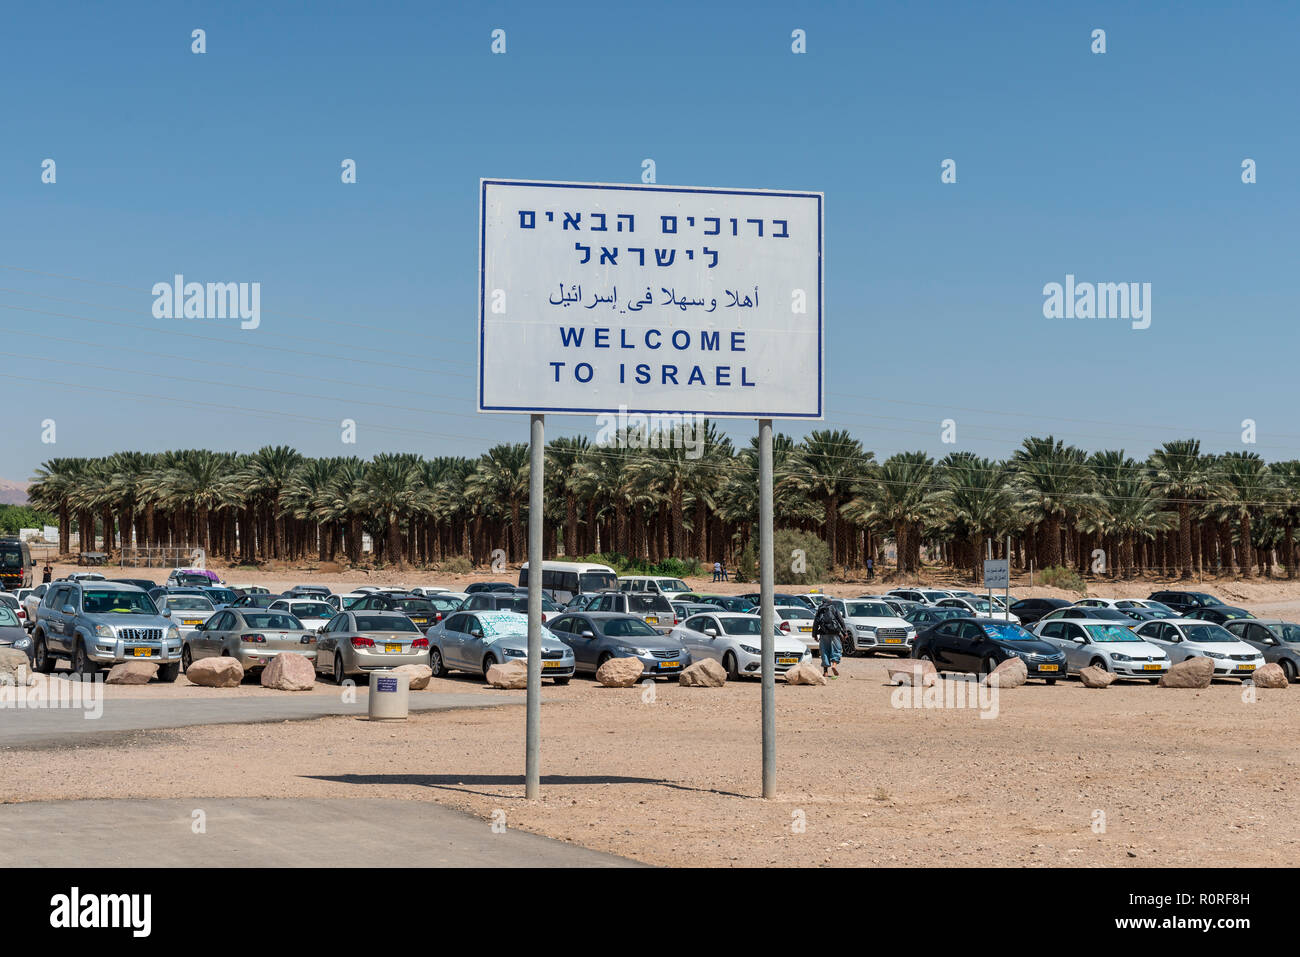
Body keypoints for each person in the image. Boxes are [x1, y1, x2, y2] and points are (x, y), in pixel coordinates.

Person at [813, 597, 847, 678]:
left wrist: (814, 635)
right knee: (837, 649)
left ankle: (825, 672)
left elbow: (816, 623)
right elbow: (840, 620)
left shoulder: (820, 609)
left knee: (824, 651)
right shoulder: (834, 607)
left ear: (822, 602)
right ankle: (834, 665)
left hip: (823, 633)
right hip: (834, 632)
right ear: (830, 601)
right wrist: (844, 632)